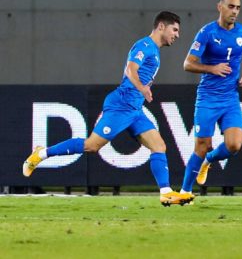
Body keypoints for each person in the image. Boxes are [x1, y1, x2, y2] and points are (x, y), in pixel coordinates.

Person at [22, 11, 192, 206]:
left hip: (134, 110)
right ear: (162, 26)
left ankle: (166, 192)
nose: (177, 35)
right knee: (92, 146)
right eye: (175, 29)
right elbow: (131, 69)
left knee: (159, 146)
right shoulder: (145, 45)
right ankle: (41, 153)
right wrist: (143, 88)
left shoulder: (154, 50)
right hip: (121, 105)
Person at [179, 0, 242, 200]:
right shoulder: (207, 33)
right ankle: (185, 192)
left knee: (234, 145)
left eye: (238, 8)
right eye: (231, 6)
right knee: (201, 145)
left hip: (230, 98)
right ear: (219, 7)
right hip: (208, 98)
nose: (235, 11)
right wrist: (212, 68)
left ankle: (209, 160)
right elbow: (187, 64)